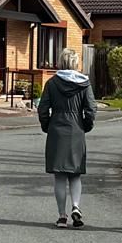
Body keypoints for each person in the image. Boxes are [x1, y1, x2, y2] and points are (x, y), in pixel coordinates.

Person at [37, 47, 96, 227]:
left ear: (61, 62)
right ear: (76, 63)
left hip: (57, 129)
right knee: (75, 174)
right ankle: (76, 206)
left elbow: (42, 108)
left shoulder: (52, 83)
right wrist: (85, 126)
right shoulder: (84, 83)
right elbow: (91, 109)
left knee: (60, 176)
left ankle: (62, 216)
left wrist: (47, 126)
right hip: (76, 129)